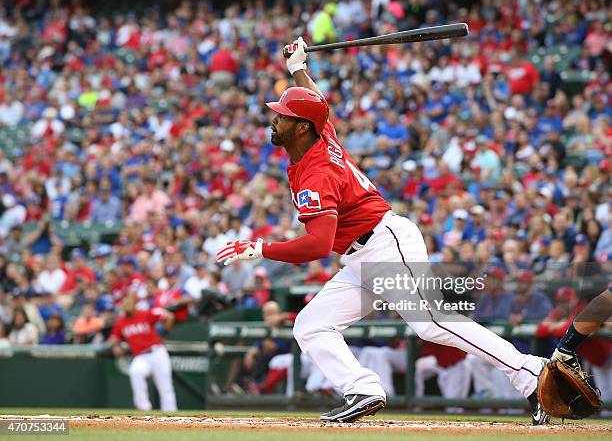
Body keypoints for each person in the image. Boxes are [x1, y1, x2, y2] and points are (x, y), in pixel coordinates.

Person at [217, 37, 548, 424]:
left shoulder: (317, 172)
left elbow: (318, 245)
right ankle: (363, 388)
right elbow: (317, 106)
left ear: (302, 127)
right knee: (311, 324)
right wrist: (297, 69)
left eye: (283, 115)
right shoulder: (320, 137)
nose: (275, 118)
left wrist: (261, 248)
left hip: (385, 244)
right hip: (362, 257)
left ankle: (531, 373)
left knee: (431, 323)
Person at [108, 295, 177, 412]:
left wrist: (164, 335)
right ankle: (144, 409)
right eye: (125, 304)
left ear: (135, 304)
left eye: (129, 303)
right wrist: (116, 345)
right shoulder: (121, 322)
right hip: (140, 356)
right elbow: (113, 338)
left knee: (165, 386)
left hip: (157, 352)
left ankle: (170, 413)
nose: (127, 306)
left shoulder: (145, 314)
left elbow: (169, 316)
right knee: (136, 372)